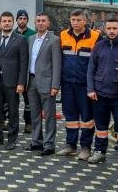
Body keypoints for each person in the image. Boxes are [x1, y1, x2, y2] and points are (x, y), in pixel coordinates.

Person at [86, 18, 118, 167]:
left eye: (114, 28)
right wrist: (90, 89)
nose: (112, 31)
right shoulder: (98, 46)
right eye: (109, 28)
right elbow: (91, 69)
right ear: (104, 29)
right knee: (101, 126)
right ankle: (99, 151)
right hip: (99, 94)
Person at [57, 9, 101, 160]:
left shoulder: (95, 36)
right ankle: (71, 145)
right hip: (68, 83)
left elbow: (98, 62)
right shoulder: (63, 35)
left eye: (79, 20)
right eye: (73, 20)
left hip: (85, 85)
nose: (75, 23)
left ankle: (86, 148)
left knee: (87, 118)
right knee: (70, 116)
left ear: (85, 21)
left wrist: (93, 86)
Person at [0, 12, 29, 150]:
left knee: (13, 111)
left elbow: (24, 63)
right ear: (0, 23)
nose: (7, 23)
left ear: (13, 22)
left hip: (12, 82)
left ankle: (12, 139)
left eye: (9, 21)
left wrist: (21, 83)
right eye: (4, 21)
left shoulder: (21, 40)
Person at [26, 13, 61, 156]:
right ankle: (36, 141)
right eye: (38, 21)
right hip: (31, 81)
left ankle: (49, 145)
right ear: (35, 23)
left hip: (47, 83)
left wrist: (55, 86)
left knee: (49, 116)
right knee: (35, 114)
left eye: (43, 21)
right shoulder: (31, 39)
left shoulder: (54, 40)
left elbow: (57, 64)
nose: (40, 23)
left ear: (48, 23)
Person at [15, 9, 36, 133]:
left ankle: (29, 123)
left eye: (24, 19)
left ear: (27, 20)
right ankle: (11, 121)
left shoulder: (33, 34)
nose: (22, 21)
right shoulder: (12, 33)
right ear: (16, 20)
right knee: (12, 100)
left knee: (28, 100)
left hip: (27, 71)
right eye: (20, 18)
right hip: (14, 71)